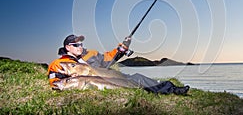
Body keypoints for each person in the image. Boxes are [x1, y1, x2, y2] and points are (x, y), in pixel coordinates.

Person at [48, 34, 190, 95]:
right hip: (102, 84)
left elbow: (109, 58)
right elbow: (56, 82)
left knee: (138, 77)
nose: (80, 46)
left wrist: (122, 47)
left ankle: (171, 89)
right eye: (76, 44)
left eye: (81, 43)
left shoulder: (91, 53)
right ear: (67, 47)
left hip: (114, 76)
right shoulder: (60, 63)